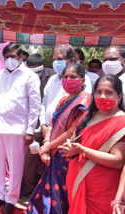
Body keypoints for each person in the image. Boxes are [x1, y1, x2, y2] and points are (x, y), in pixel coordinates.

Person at [27, 63, 92, 214]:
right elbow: (52, 123)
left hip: (67, 156)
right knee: (46, 195)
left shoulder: (85, 100)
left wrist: (49, 147)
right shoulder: (63, 100)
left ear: (82, 80)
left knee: (62, 196)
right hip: (53, 153)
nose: (68, 80)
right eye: (66, 77)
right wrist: (47, 146)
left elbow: (72, 131)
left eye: (73, 77)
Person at [59, 75, 125, 214]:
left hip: (102, 189)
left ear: (119, 97)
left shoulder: (121, 122)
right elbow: (75, 141)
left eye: (109, 92)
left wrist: (83, 150)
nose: (103, 96)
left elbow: (118, 161)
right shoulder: (87, 116)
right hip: (77, 181)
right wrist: (70, 147)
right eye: (99, 92)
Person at [0, 43, 41, 214]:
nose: (11, 60)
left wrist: (30, 130)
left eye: (14, 56)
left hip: (17, 128)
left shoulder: (29, 76)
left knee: (15, 166)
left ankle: (11, 197)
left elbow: (35, 105)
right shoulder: (0, 75)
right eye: (7, 57)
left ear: (21, 57)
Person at [20, 54, 55, 198]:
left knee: (50, 161)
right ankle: (28, 189)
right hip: (33, 126)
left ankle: (48, 191)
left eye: (37, 73)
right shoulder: (23, 76)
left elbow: (45, 102)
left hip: (52, 127)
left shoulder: (52, 77)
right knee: (30, 160)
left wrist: (46, 125)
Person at [40, 45, 92, 140]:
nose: (56, 62)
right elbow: (44, 103)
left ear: (71, 60)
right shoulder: (52, 79)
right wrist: (43, 125)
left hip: (67, 136)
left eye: (59, 59)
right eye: (54, 59)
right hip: (48, 131)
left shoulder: (82, 81)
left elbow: (80, 113)